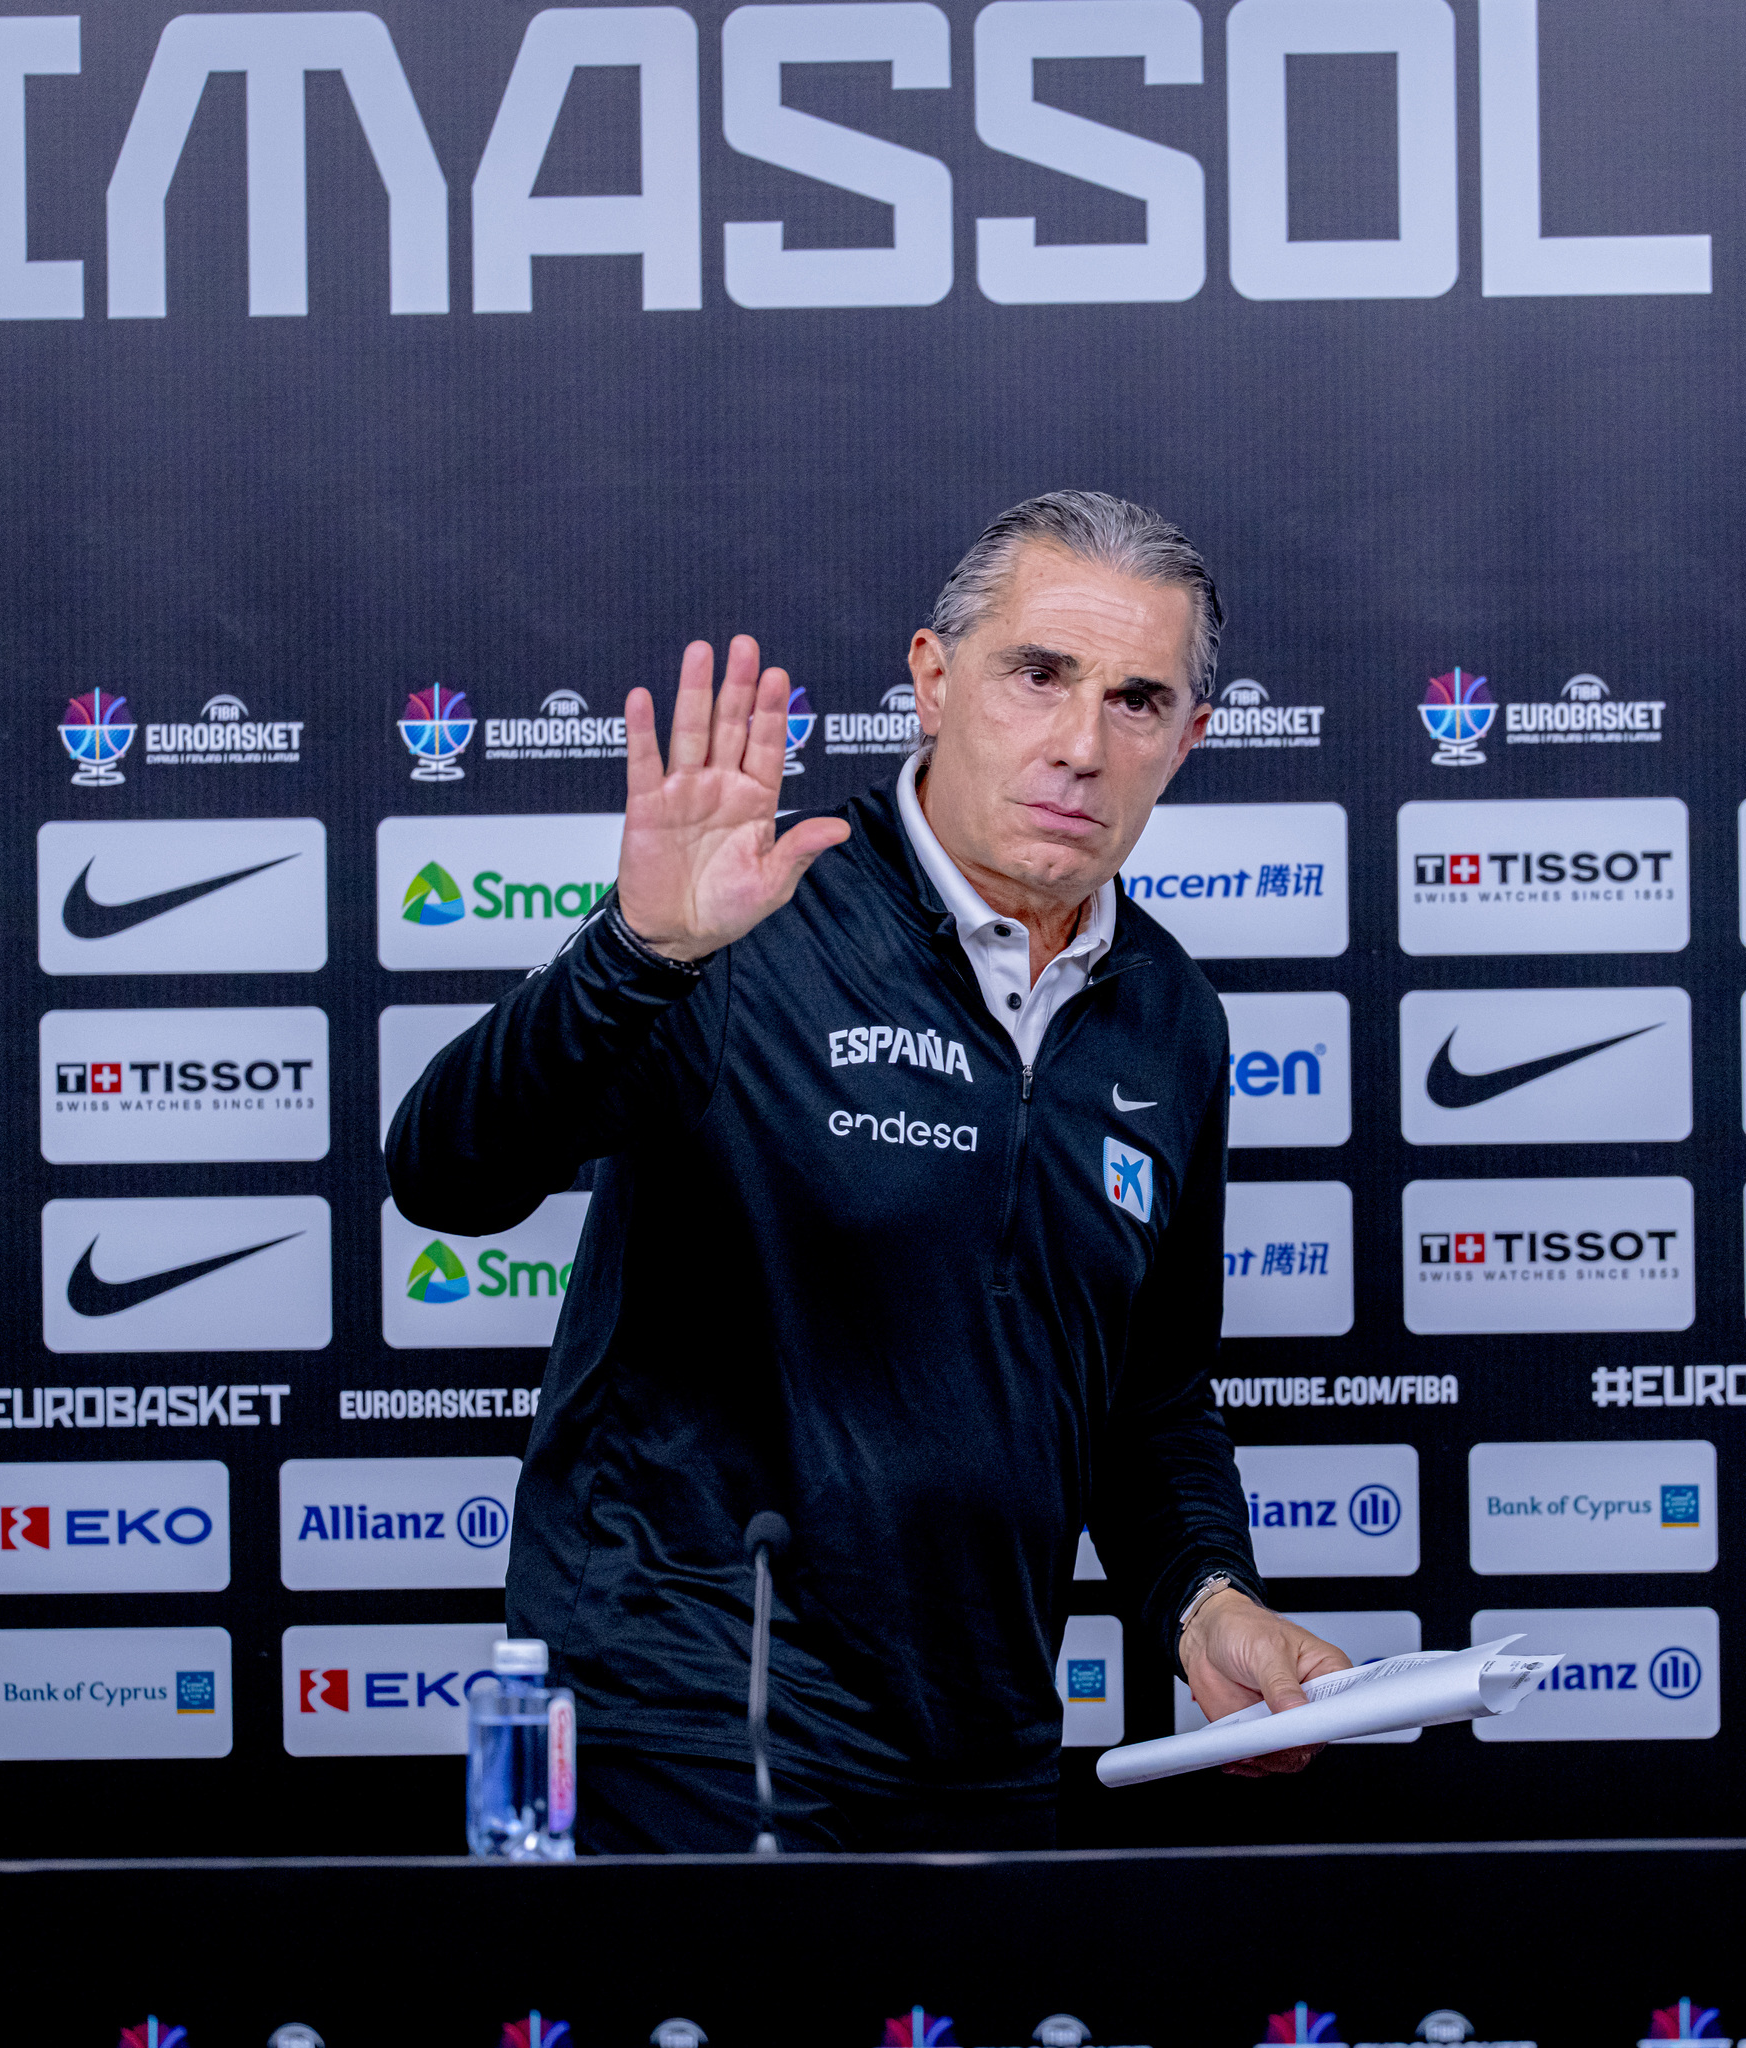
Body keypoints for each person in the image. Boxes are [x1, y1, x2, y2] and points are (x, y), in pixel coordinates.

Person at [390, 491, 1350, 1852]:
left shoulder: (1170, 1016)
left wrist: (1207, 1598)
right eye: (1038, 675)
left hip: (986, 1741)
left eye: (1136, 701)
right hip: (694, 1723)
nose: (1081, 746)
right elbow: (446, 1176)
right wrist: (637, 954)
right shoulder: (748, 921)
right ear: (934, 682)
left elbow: (1147, 1391)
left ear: (1187, 739)